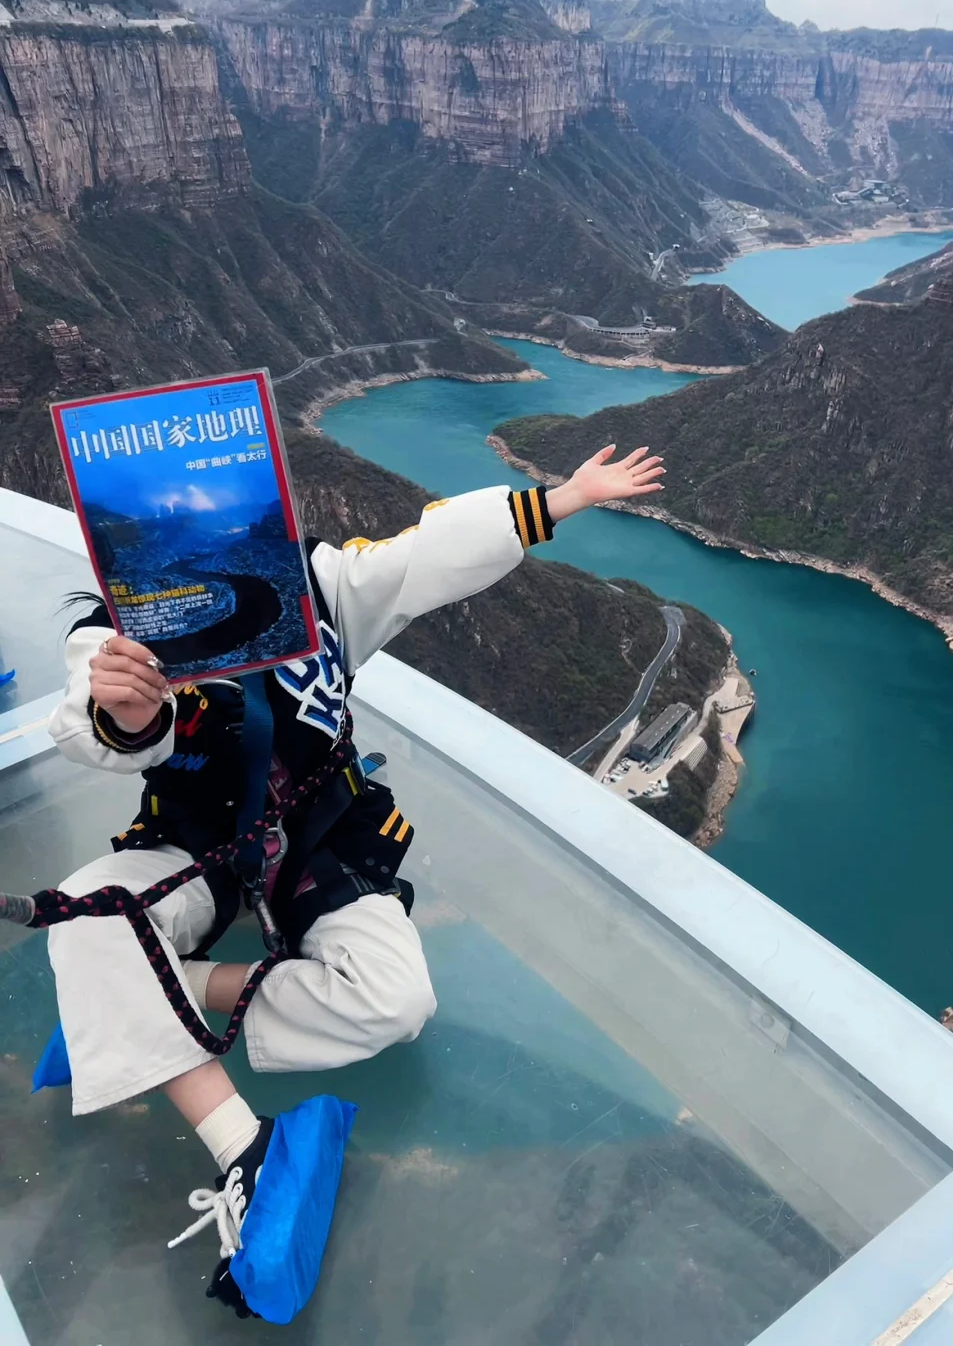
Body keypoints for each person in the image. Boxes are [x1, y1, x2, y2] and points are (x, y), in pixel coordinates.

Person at [44, 446, 664, 1319]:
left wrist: (560, 500)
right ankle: (242, 1143)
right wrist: (128, 710)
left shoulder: (319, 588)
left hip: (315, 839)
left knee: (396, 1002)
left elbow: (426, 557)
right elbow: (93, 727)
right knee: (84, 910)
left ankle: (145, 999)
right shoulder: (115, 635)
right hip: (193, 848)